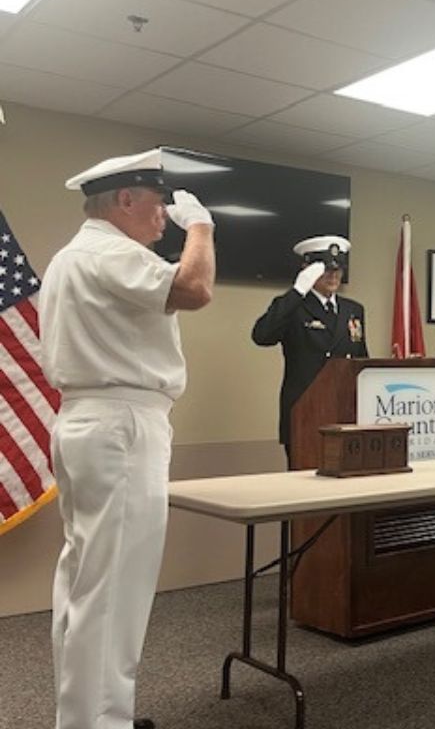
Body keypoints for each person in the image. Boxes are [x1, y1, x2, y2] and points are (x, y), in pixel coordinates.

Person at [43, 148, 215, 729]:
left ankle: (86, 716)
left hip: (88, 422)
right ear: (124, 200)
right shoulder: (109, 251)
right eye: (159, 203)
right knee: (115, 589)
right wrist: (202, 227)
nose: (164, 216)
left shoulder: (73, 256)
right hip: (120, 427)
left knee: (87, 580)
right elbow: (194, 287)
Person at [252, 235, 368, 462]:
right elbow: (262, 336)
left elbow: (360, 357)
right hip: (304, 412)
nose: (333, 275)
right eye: (325, 269)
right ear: (307, 269)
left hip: (344, 411)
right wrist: (297, 291)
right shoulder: (292, 306)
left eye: (338, 270)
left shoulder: (353, 310)